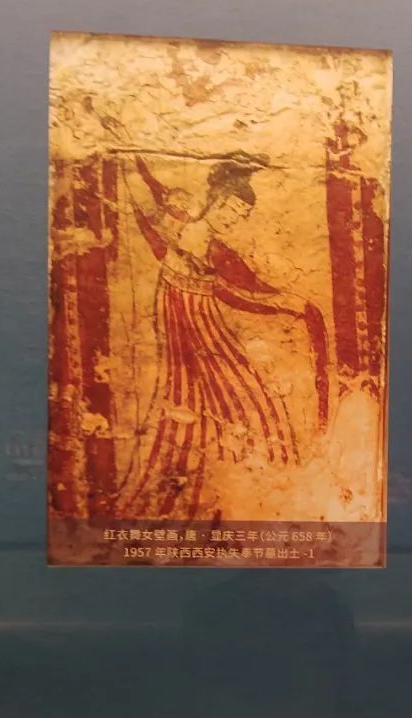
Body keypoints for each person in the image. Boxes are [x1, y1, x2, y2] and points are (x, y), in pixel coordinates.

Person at [118, 154, 330, 519]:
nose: (233, 218)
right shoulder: (190, 233)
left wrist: (289, 304)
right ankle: (223, 492)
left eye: (241, 215)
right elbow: (146, 202)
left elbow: (240, 289)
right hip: (191, 327)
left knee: (232, 399)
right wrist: (130, 165)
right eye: (231, 209)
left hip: (201, 322)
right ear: (215, 200)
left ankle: (249, 494)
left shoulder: (210, 245)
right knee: (237, 396)